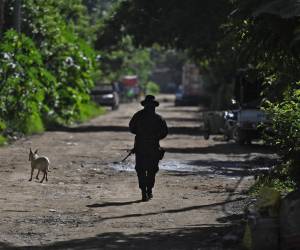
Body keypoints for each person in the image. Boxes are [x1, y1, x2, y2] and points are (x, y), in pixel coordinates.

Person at [129, 95, 168, 201]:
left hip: (141, 147)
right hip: (152, 147)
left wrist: (142, 135)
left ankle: (145, 191)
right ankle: (148, 191)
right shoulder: (158, 118)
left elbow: (132, 129)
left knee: (142, 170)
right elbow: (164, 132)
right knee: (151, 170)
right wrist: (155, 137)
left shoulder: (138, 116)